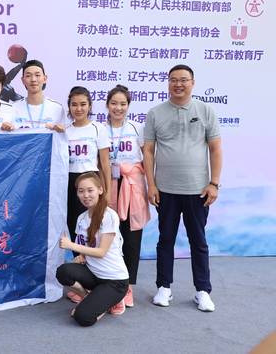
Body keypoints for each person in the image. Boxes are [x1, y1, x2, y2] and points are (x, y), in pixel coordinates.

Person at [144, 64, 222, 312]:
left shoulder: (206, 110)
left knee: (198, 241)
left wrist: (214, 183)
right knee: (165, 239)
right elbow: (148, 151)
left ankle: (202, 291)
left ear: (192, 83)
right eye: (173, 80)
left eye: (183, 80)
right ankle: (163, 287)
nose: (178, 84)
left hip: (198, 190)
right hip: (165, 189)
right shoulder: (155, 113)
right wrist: (151, 184)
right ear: (168, 83)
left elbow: (215, 149)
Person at [56, 172, 129, 327]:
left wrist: (71, 245)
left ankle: (112, 300)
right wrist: (81, 256)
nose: (85, 195)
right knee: (63, 271)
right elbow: (87, 245)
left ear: (100, 190)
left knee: (83, 318)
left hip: (115, 282)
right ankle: (89, 298)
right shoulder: (81, 218)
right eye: (81, 191)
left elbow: (101, 252)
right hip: (94, 275)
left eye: (90, 190)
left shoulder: (109, 216)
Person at [104, 85, 150, 308]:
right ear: (107, 105)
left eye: (123, 104)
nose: (118, 108)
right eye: (114, 103)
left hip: (132, 185)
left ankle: (128, 287)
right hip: (109, 184)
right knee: (110, 236)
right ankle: (109, 283)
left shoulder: (137, 128)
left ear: (129, 106)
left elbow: (148, 157)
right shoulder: (100, 129)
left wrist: (152, 185)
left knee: (131, 237)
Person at [64, 86, 111, 257]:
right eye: (74, 104)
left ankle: (94, 261)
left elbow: (105, 164)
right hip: (70, 181)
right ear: (69, 106)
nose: (79, 109)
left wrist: (107, 192)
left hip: (91, 179)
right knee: (73, 222)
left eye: (83, 104)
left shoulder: (98, 128)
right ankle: (79, 260)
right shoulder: (65, 131)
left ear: (90, 106)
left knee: (94, 222)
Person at [13, 60, 64, 132]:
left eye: (37, 75)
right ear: (23, 80)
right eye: (28, 76)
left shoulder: (57, 108)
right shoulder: (13, 108)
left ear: (45, 78)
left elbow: (63, 135)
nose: (33, 79)